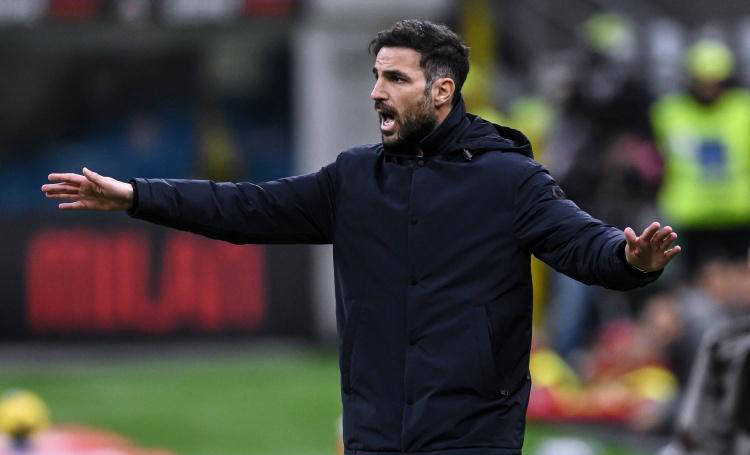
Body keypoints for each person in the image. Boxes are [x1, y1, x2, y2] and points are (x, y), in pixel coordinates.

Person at [41, 19, 680, 455]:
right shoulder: (353, 179)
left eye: (395, 79)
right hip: (375, 434)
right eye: (376, 76)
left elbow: (582, 246)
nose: (376, 92)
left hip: (472, 435)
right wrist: (136, 196)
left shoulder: (509, 179)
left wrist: (630, 259)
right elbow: (245, 208)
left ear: (442, 90)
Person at [651, 38, 750, 275]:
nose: (709, 88)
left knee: (740, 279)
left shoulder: (743, 109)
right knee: (693, 281)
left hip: (738, 210)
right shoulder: (668, 111)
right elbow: (655, 158)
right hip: (689, 213)